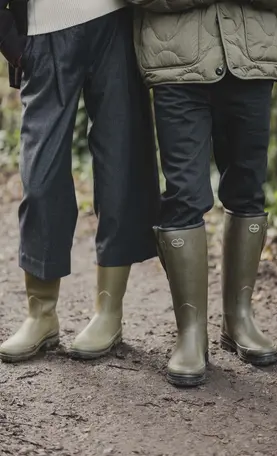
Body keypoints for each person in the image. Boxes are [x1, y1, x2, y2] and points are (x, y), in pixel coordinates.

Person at [129, 0, 277, 385]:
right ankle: (191, 334)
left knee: (249, 191)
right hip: (177, 67)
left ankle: (239, 320)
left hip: (252, 60)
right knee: (185, 194)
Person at [0, 1, 159, 362]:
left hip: (114, 22)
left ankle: (109, 313)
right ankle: (40, 315)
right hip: (42, 35)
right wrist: (11, 40)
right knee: (40, 177)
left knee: (122, 166)